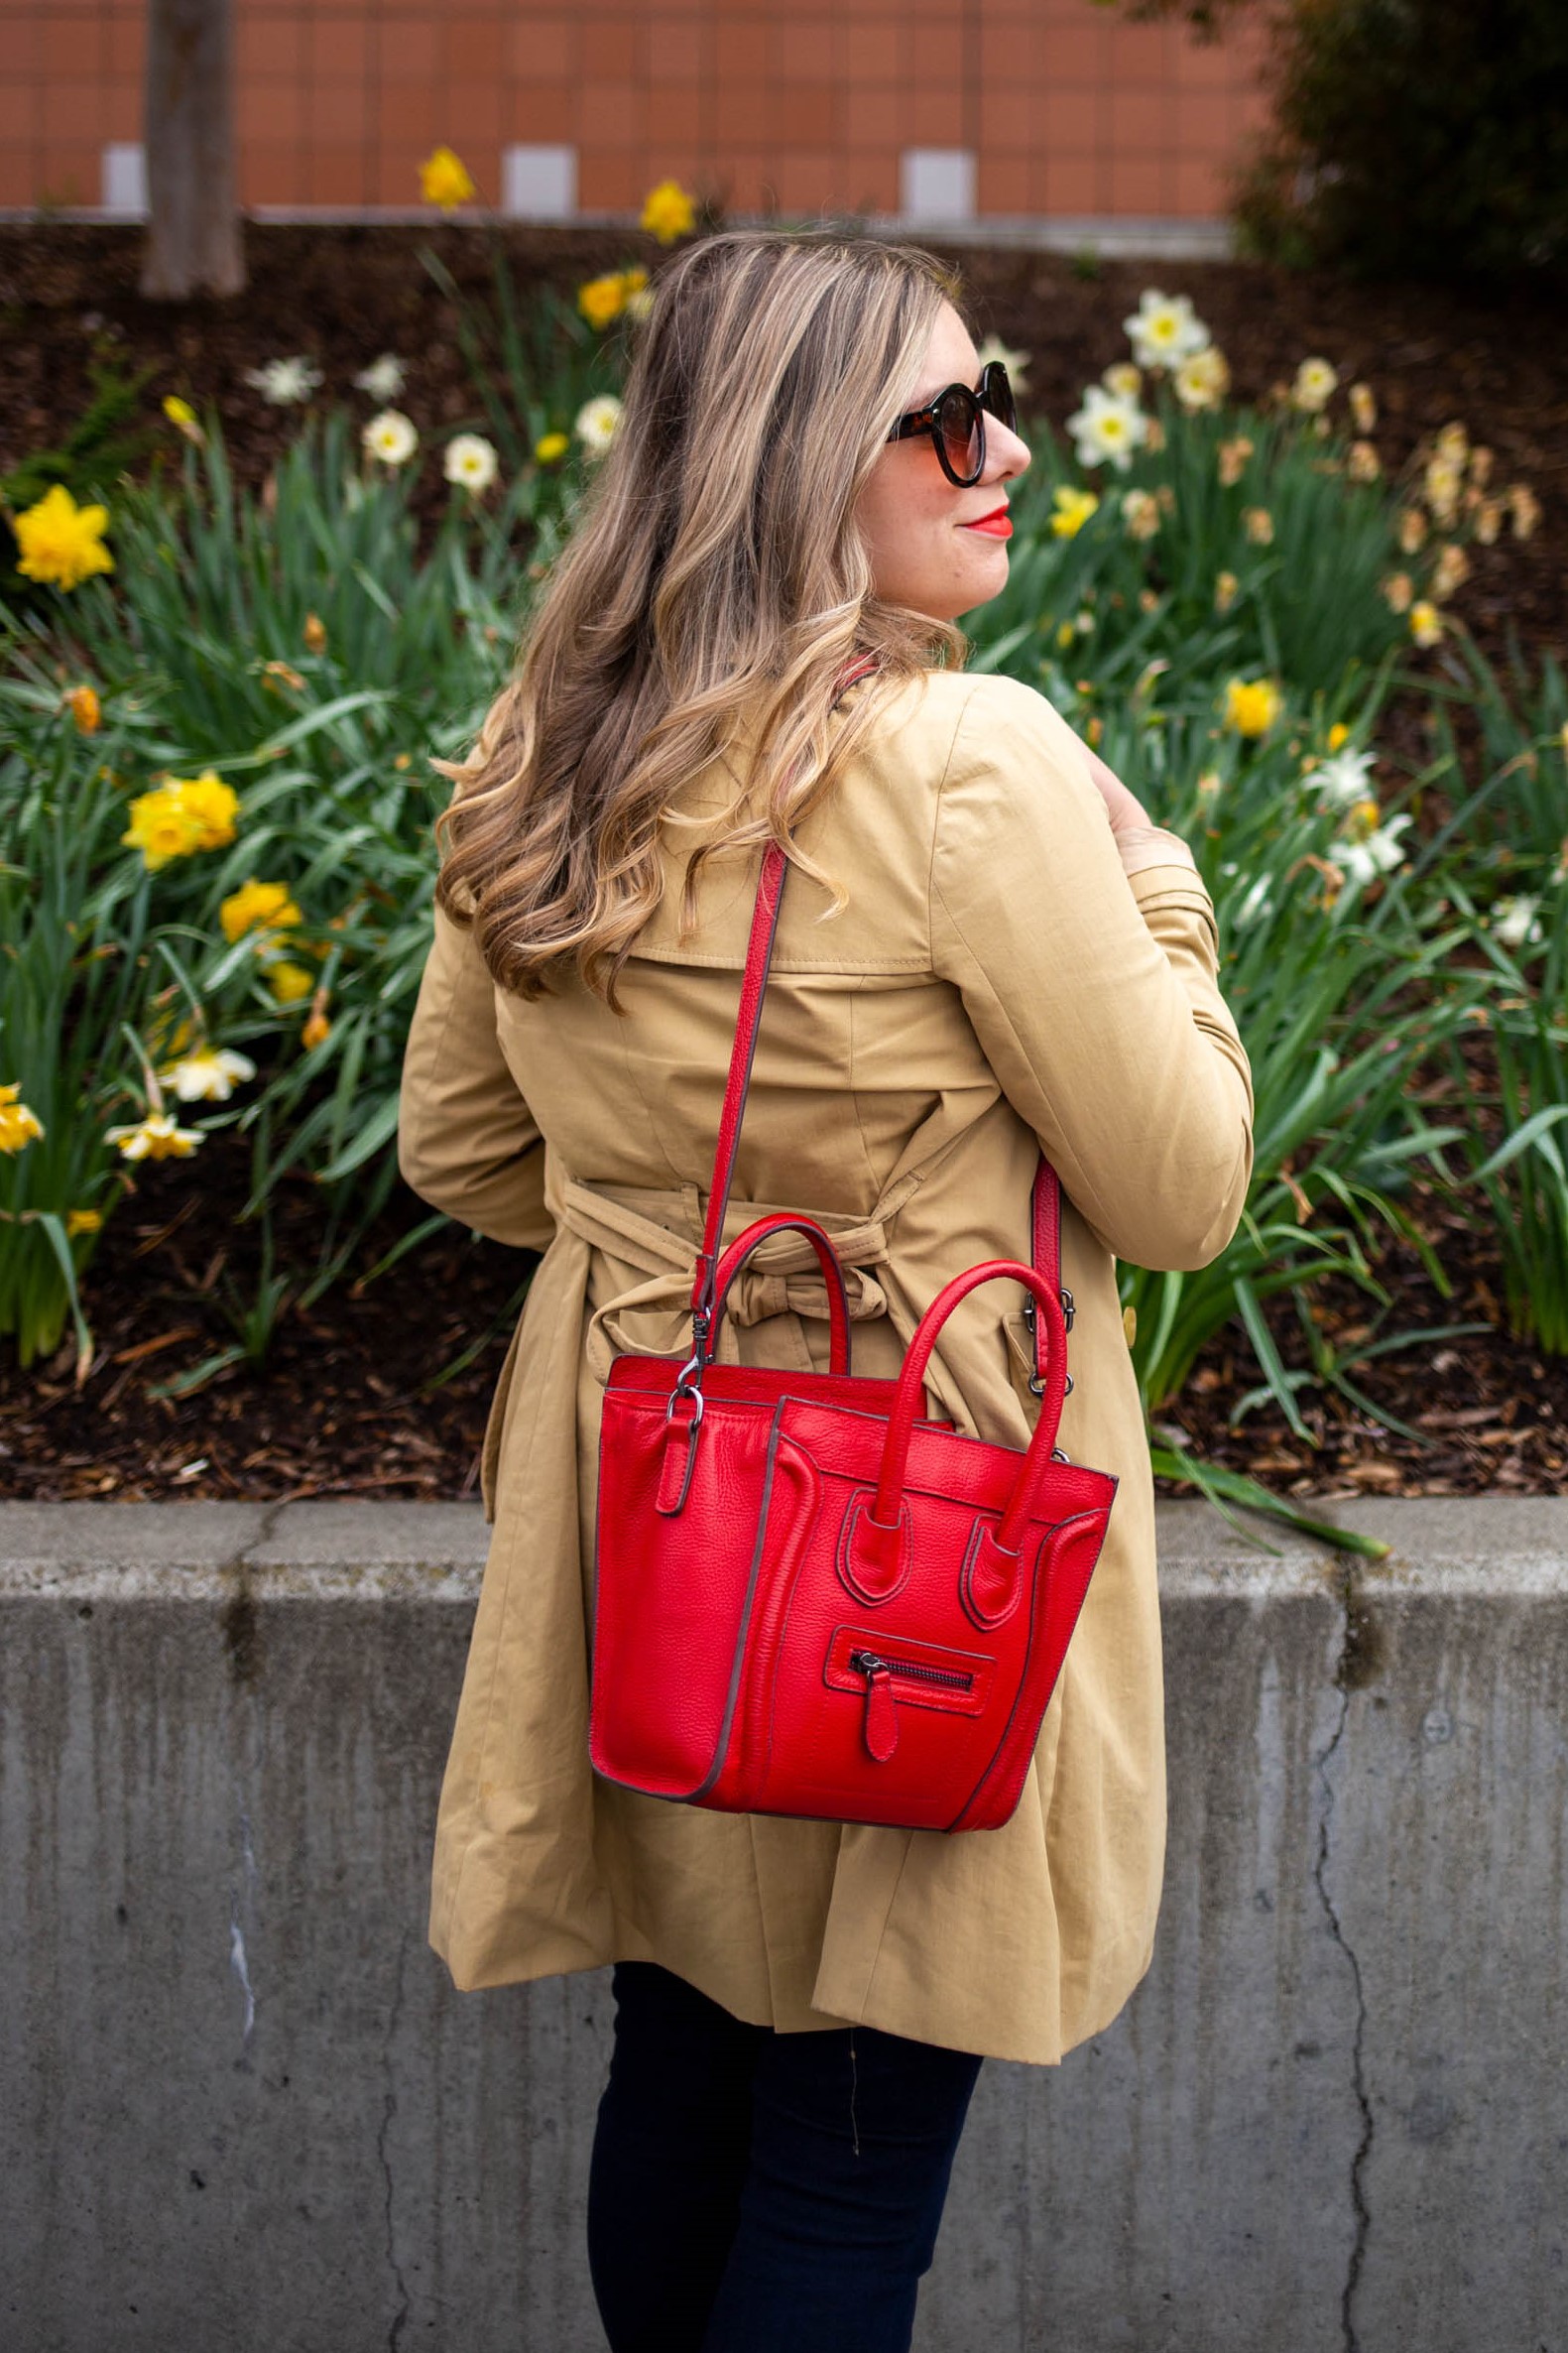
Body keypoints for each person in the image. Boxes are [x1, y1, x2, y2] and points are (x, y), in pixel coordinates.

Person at [397, 230, 1253, 2353]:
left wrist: (674, 1228)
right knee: (850, 2150)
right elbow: (1179, 1188)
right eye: (942, 419)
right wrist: (1161, 891)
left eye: (998, 403)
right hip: (909, 1546)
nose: (1001, 454)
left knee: (679, 2059)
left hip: (657, 1515)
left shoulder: (547, 747)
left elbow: (463, 1157)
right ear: (796, 459)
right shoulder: (970, 765)